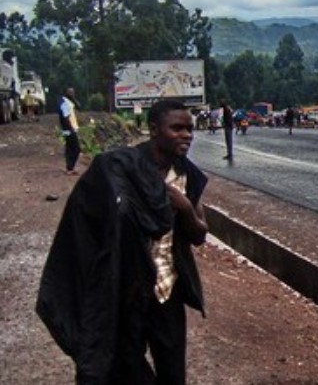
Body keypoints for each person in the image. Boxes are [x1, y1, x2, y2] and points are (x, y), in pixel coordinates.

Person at [36, 99, 209, 384]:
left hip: (168, 291)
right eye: (177, 128)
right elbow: (83, 223)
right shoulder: (116, 169)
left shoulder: (186, 175)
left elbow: (200, 235)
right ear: (153, 129)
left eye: (189, 129)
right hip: (127, 292)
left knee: (173, 371)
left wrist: (186, 208)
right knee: (124, 366)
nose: (187, 135)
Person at [58, 87, 80, 175]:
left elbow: (79, 107)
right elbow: (65, 117)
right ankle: (70, 168)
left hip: (70, 129)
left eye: (73, 92)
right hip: (68, 129)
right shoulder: (63, 103)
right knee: (76, 149)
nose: (72, 94)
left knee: (69, 148)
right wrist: (71, 129)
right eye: (70, 92)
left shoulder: (69, 102)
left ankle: (69, 168)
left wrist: (73, 98)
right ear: (66, 93)